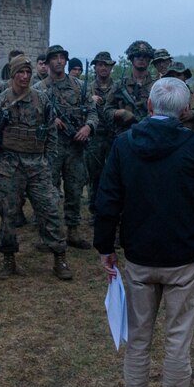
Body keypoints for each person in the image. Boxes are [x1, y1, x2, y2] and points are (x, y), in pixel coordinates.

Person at [94, 77, 194, 387]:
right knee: (177, 340)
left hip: (140, 256)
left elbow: (107, 200)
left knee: (138, 341)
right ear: (185, 111)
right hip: (182, 257)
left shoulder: (124, 145)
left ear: (150, 108)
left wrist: (105, 248)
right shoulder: (192, 142)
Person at [0, 54, 72, 280]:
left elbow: (51, 134)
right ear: (12, 74)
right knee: (8, 215)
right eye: (20, 72)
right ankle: (8, 259)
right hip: (9, 166)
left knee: (50, 210)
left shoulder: (42, 100)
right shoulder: (1, 102)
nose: (25, 76)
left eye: (28, 72)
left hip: (37, 165)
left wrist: (48, 161)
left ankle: (60, 258)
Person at [35, 45, 98, 248]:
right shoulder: (39, 89)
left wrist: (88, 127)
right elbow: (31, 117)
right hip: (50, 149)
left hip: (75, 147)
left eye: (62, 57)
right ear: (48, 62)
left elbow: (92, 112)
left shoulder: (80, 87)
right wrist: (49, 121)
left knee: (74, 190)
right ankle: (49, 234)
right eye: (55, 58)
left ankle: (73, 231)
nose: (59, 61)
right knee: (48, 192)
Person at [84, 52, 118, 213]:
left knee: (114, 174)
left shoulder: (119, 87)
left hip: (113, 135)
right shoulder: (87, 88)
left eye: (106, 65)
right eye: (100, 65)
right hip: (95, 136)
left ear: (111, 67)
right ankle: (94, 209)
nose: (103, 68)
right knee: (95, 175)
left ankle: (112, 208)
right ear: (95, 67)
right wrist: (90, 99)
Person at [111, 41, 156, 130]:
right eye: (138, 56)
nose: (141, 59)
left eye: (145, 57)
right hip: (126, 134)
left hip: (151, 134)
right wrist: (120, 113)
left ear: (149, 60)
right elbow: (107, 110)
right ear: (131, 58)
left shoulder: (157, 85)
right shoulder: (120, 85)